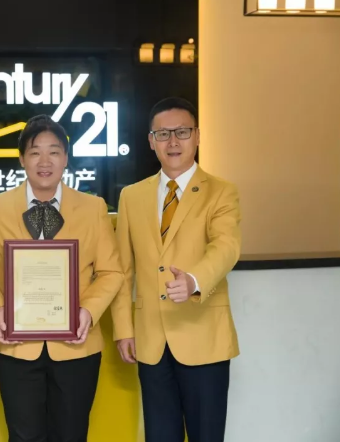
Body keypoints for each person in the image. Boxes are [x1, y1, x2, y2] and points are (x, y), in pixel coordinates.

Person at [0, 115, 123, 442]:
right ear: (21, 159)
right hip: (15, 346)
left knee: (72, 434)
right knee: (23, 436)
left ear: (66, 158)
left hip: (76, 345)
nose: (44, 161)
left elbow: (111, 272)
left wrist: (88, 311)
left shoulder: (93, 208)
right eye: (35, 152)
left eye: (54, 152)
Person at [111, 97, 241, 442]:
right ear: (150, 141)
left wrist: (195, 280)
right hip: (150, 340)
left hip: (203, 335)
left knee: (206, 435)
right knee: (159, 435)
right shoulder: (131, 196)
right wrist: (123, 328)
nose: (173, 141)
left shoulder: (221, 192)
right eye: (163, 133)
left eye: (182, 132)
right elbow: (122, 270)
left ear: (197, 136)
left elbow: (226, 246)